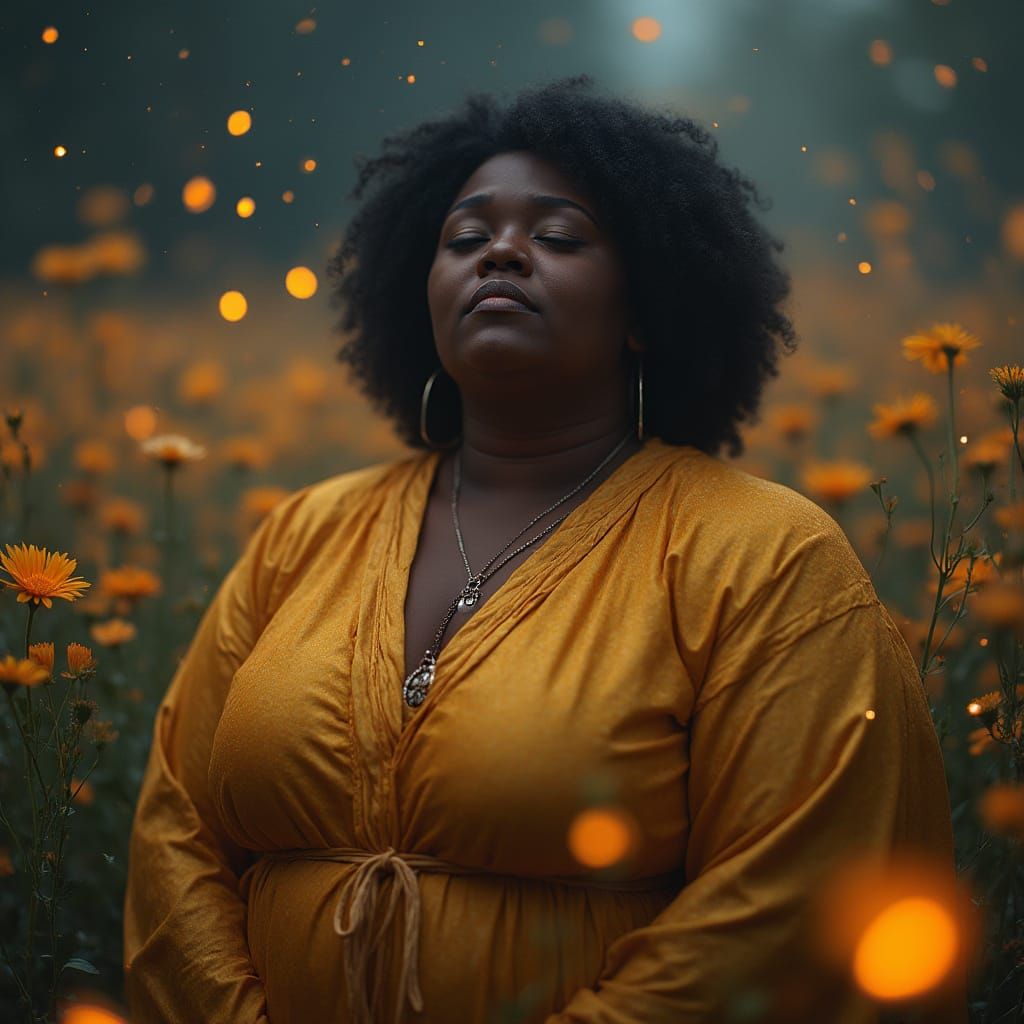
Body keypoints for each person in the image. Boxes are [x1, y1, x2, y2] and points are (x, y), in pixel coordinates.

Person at [123, 75, 964, 1023]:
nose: (503, 255)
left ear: (649, 307)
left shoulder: (764, 556)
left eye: (558, 237)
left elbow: (790, 898)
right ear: (421, 293)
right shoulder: (304, 532)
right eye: (465, 238)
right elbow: (177, 835)